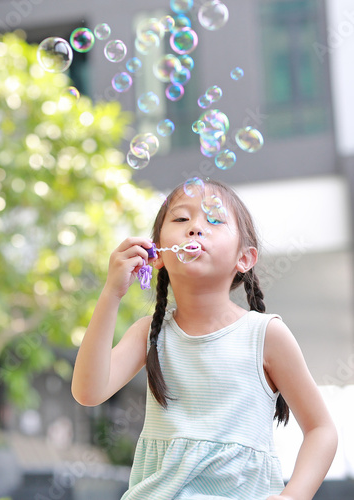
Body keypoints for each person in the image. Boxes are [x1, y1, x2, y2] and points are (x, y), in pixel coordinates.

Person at [71, 179, 337, 500]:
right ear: (157, 254)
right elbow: (88, 392)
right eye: (182, 219)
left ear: (245, 258)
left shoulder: (265, 335)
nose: (195, 228)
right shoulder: (149, 333)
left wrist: (293, 496)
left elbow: (322, 430)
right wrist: (111, 292)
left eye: (214, 220)